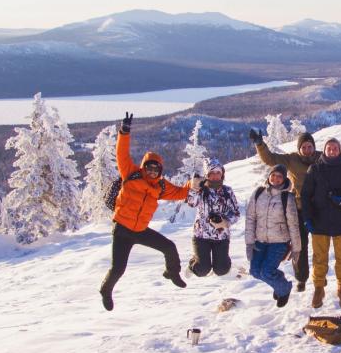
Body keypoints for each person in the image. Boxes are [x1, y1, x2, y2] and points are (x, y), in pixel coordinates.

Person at [249, 126, 341, 293]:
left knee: (321, 248)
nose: (306, 149)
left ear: (314, 146)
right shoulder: (291, 159)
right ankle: (302, 278)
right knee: (300, 246)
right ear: (299, 148)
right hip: (299, 209)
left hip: (322, 209)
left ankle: (321, 278)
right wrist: (260, 144)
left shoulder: (322, 156)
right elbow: (270, 159)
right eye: (303, 147)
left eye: (309, 146)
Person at [99, 112, 194, 311]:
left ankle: (172, 273)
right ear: (143, 167)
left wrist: (193, 184)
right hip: (122, 230)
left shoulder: (160, 187)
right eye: (149, 168)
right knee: (118, 269)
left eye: (155, 170)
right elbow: (121, 154)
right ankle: (106, 290)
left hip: (140, 230)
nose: (152, 172)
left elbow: (180, 192)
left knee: (169, 247)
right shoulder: (131, 174)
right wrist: (124, 133)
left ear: (159, 171)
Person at [300, 137, 341, 309]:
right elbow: (305, 195)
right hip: (319, 222)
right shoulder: (315, 169)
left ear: (340, 150)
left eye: (335, 148)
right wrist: (307, 218)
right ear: (324, 150)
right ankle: (319, 288)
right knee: (319, 258)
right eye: (329, 148)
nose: (332, 150)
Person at [244, 164, 301, 307]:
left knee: (267, 272)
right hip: (260, 241)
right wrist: (249, 243)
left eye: (279, 176)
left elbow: (293, 224)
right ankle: (279, 282)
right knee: (255, 271)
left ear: (284, 179)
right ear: (269, 176)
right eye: (273, 175)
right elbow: (250, 219)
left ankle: (284, 288)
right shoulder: (258, 193)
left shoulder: (287, 198)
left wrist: (296, 248)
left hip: (279, 242)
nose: (275, 179)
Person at [185, 160, 240, 278]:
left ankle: (224, 261)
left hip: (221, 236)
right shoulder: (201, 189)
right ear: (207, 175)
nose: (215, 176)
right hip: (201, 236)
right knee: (202, 270)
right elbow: (191, 203)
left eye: (218, 172)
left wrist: (226, 222)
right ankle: (193, 263)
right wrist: (194, 188)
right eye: (211, 173)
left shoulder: (227, 191)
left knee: (221, 270)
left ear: (222, 174)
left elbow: (236, 213)